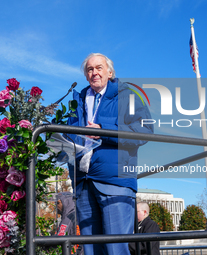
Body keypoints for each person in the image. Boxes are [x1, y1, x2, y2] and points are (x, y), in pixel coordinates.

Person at [67, 53, 153, 254]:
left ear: (110, 72)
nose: (94, 72)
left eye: (98, 68)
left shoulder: (128, 95)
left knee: (116, 249)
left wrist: (103, 131)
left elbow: (146, 130)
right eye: (89, 69)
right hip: (83, 182)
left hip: (115, 182)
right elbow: (69, 135)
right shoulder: (77, 100)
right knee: (90, 250)